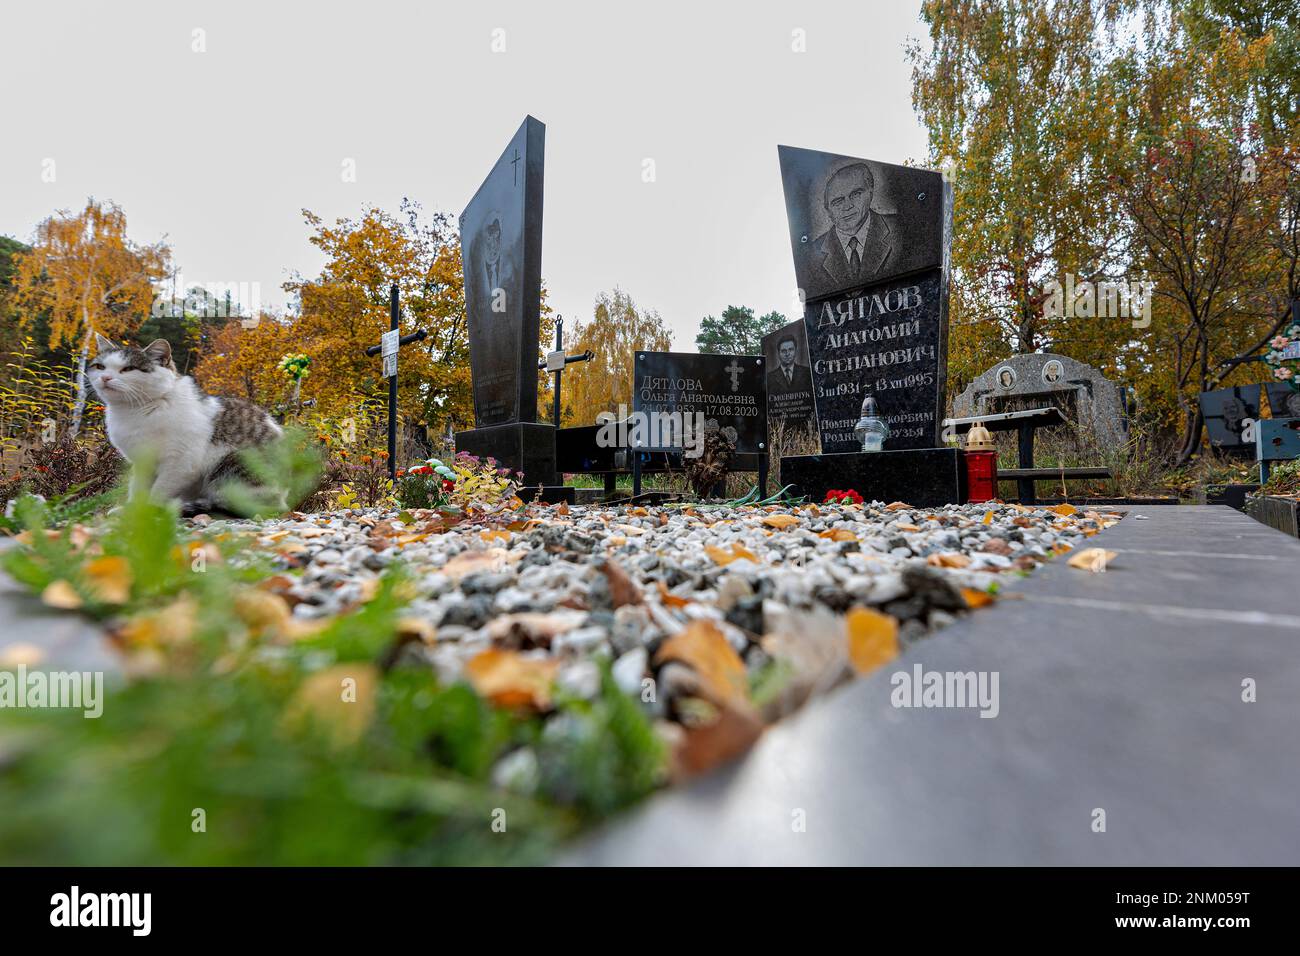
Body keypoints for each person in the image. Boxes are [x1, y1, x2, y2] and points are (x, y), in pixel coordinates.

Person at [799, 162, 899, 295]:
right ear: (828, 210)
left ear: (870, 192)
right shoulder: (812, 254)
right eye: (838, 201)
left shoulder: (901, 229)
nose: (847, 206)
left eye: (856, 194)